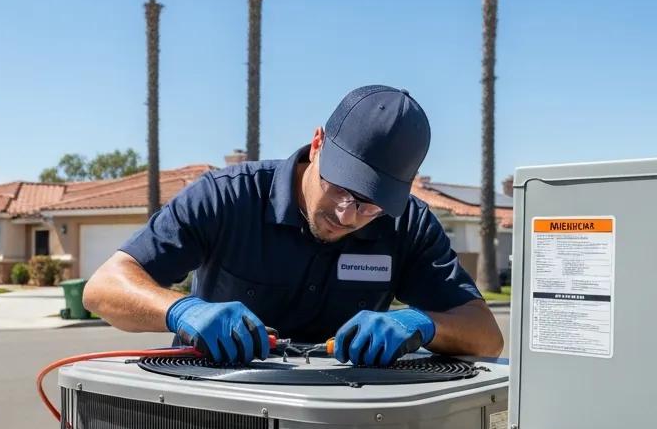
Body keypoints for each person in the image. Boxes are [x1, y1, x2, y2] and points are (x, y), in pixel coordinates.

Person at [84, 85, 503, 366]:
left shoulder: (407, 224)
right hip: (217, 414)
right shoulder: (227, 197)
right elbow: (103, 289)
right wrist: (181, 310)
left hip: (338, 426)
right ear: (318, 143)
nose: (346, 215)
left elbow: (486, 336)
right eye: (340, 189)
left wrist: (422, 324)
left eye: (369, 206)